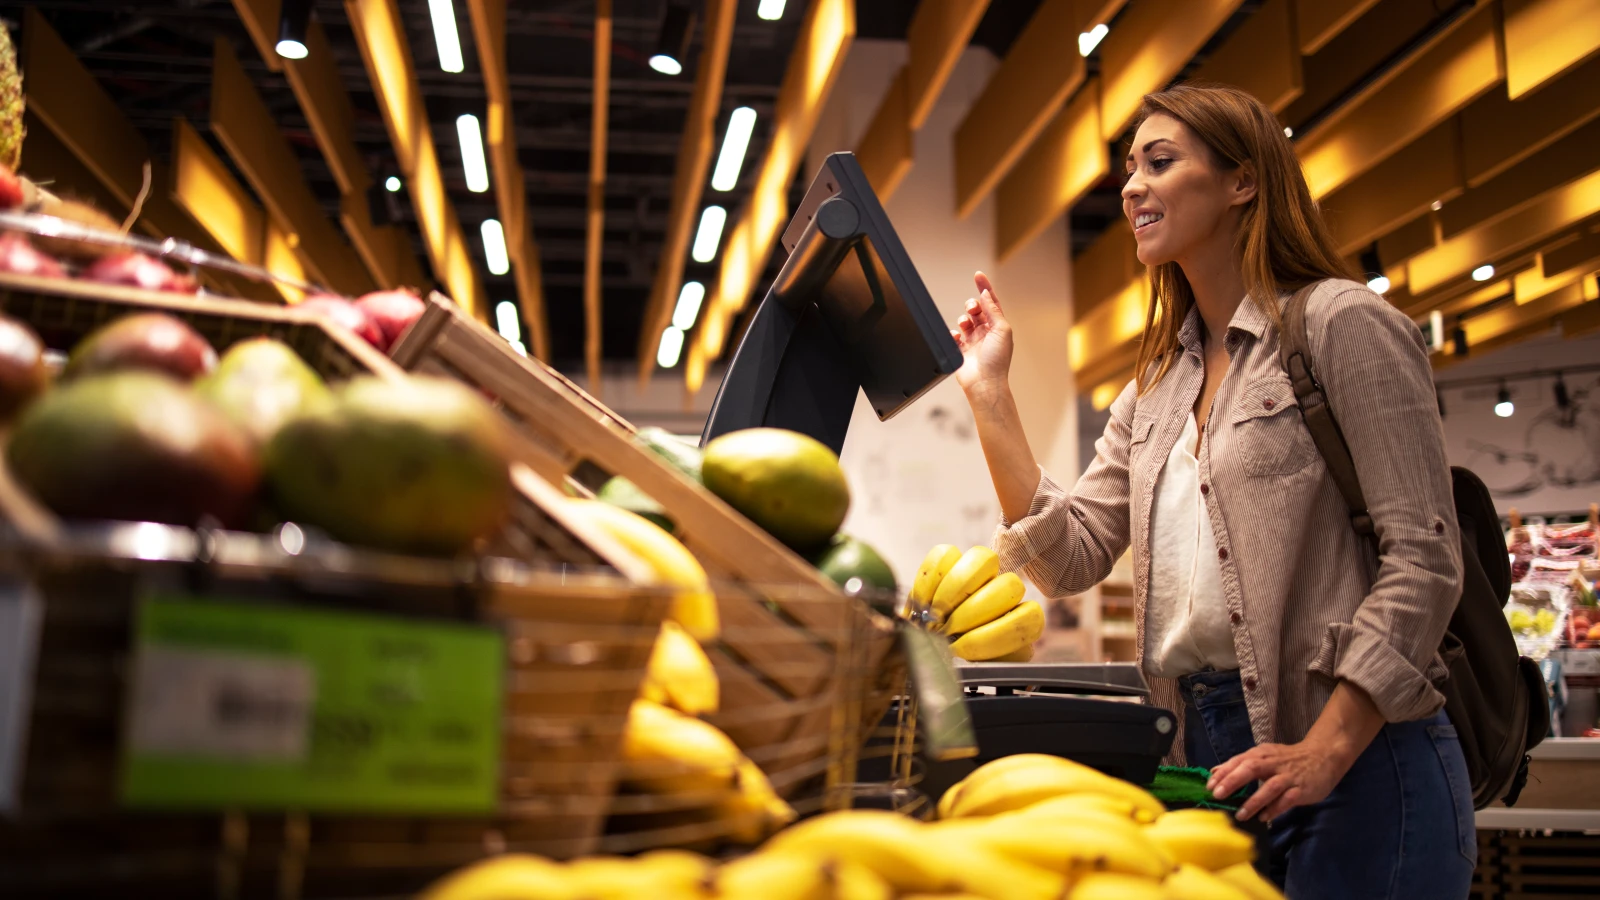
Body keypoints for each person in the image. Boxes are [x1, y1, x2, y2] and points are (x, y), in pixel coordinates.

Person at [952, 84, 1474, 898]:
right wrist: (990, 394)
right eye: (1129, 168)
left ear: (1243, 182)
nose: (1131, 187)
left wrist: (1326, 749)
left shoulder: (1340, 324)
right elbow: (1074, 552)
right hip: (1209, 759)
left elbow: (1426, 559)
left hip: (1361, 758)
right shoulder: (1158, 386)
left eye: (1160, 162)